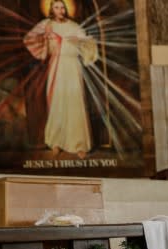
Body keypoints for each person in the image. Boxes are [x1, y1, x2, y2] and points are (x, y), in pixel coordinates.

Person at [24, 0, 98, 159]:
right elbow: (29, 38)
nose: (61, 10)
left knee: (75, 102)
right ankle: (56, 142)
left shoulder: (73, 26)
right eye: (57, 7)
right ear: (51, 9)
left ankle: (80, 145)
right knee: (58, 102)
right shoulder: (46, 24)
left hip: (72, 66)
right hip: (56, 66)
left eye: (63, 7)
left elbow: (88, 42)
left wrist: (78, 41)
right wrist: (45, 37)